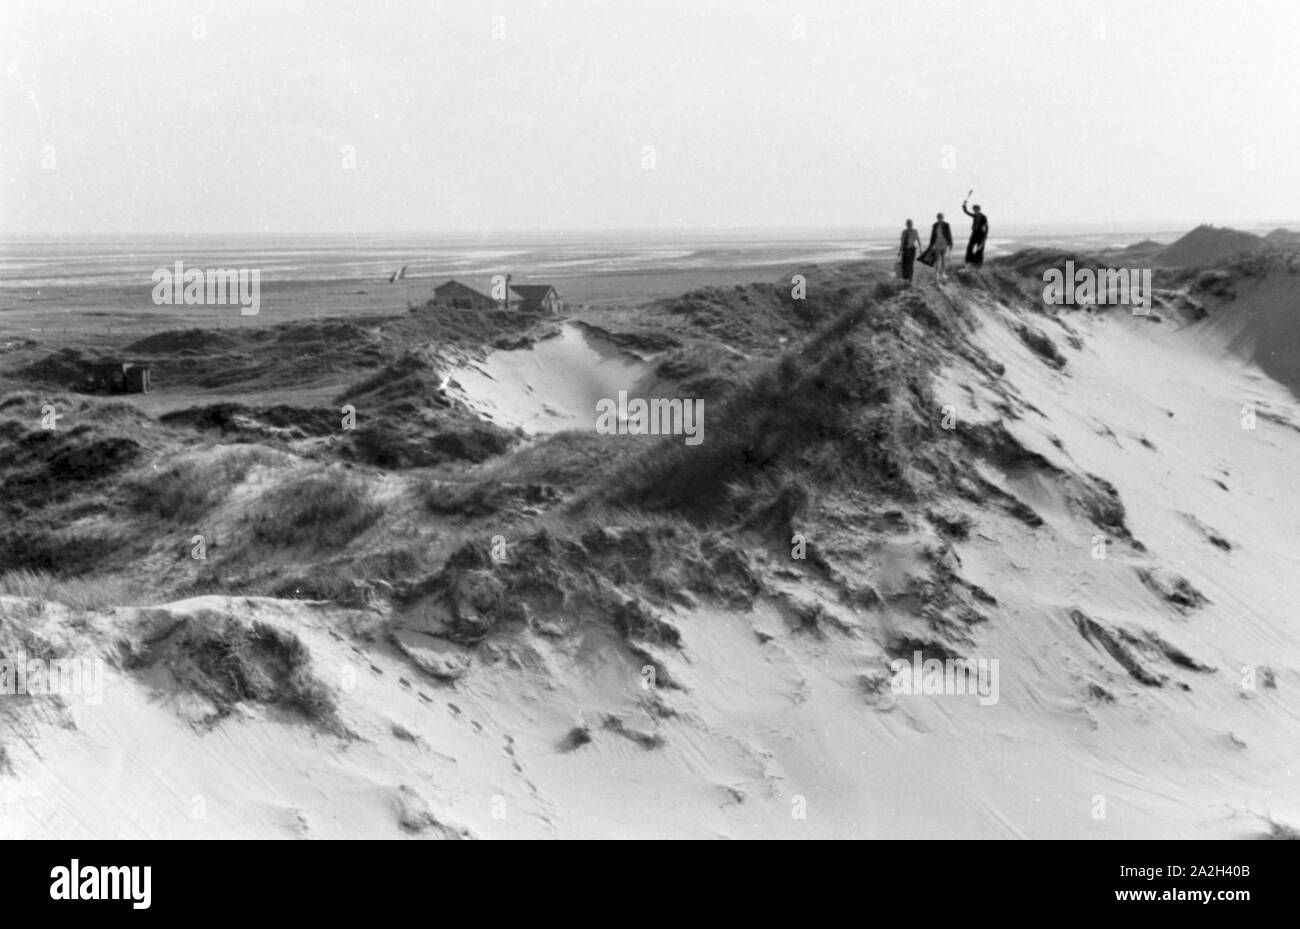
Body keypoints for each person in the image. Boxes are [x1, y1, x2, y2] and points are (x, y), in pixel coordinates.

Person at [927, 212, 953, 281]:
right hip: (937, 243)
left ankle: (943, 273)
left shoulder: (946, 225)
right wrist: (930, 245)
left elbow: (949, 234)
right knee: (937, 259)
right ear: (937, 218)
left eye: (941, 217)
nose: (940, 219)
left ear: (943, 218)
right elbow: (932, 235)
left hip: (944, 243)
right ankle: (937, 274)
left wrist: (951, 244)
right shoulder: (935, 225)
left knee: (943, 259)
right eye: (939, 217)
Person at [962, 200, 988, 267]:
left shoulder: (984, 217)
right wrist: (964, 205)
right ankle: (969, 261)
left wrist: (985, 236)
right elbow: (966, 212)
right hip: (974, 233)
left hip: (981, 234)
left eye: (975, 209)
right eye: (974, 210)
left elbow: (986, 226)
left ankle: (978, 263)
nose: (974, 211)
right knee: (969, 247)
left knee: (979, 249)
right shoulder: (974, 215)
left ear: (979, 209)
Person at [898, 219, 921, 287]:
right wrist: (900, 251)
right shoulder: (904, 232)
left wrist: (921, 249)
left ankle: (910, 280)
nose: (909, 225)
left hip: (912, 250)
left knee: (910, 265)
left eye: (910, 224)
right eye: (908, 224)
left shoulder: (915, 231)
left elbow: (918, 240)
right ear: (906, 224)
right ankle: (906, 281)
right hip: (905, 250)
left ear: (912, 224)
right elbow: (902, 243)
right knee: (904, 265)